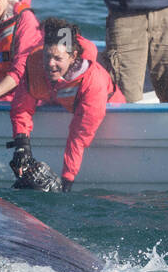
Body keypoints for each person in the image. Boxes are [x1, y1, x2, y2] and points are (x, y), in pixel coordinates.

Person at [8, 18, 125, 192]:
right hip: (63, 104)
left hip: (109, 110)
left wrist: (67, 181)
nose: (50, 64)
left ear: (73, 57)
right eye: (47, 56)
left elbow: (79, 135)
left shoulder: (94, 82)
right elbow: (21, 108)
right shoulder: (35, 64)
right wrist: (22, 145)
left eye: (57, 58)